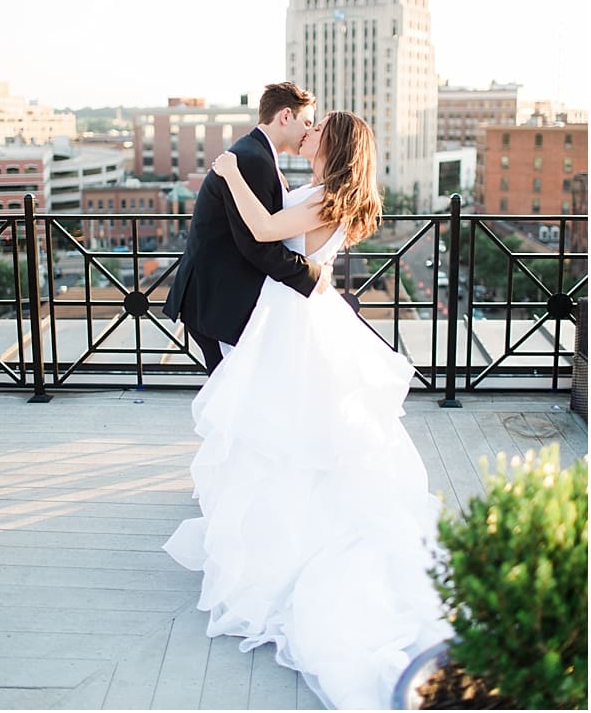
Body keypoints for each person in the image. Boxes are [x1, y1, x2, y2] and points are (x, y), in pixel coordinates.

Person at [163, 111, 452, 709]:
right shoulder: (328, 192)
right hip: (294, 315)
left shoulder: (327, 197)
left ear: (336, 142)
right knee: (287, 435)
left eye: (321, 127)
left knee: (289, 438)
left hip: (294, 327)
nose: (311, 130)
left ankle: (290, 552)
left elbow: (268, 229)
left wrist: (227, 172)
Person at [162, 81, 331, 373]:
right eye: (306, 122)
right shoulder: (254, 160)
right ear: (285, 116)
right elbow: (256, 243)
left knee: (235, 397)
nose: (308, 131)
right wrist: (312, 274)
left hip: (219, 297)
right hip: (216, 301)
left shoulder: (257, 154)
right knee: (230, 397)